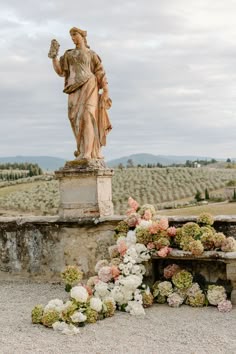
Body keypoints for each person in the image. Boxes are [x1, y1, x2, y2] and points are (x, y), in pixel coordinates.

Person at [48, 27, 112, 160]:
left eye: (75, 34)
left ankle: (88, 153)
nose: (72, 38)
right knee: (75, 119)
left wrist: (105, 90)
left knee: (87, 116)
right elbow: (60, 71)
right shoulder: (69, 55)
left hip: (90, 85)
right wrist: (54, 57)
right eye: (71, 35)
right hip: (73, 89)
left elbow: (100, 72)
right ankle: (82, 149)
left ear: (82, 36)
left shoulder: (91, 54)